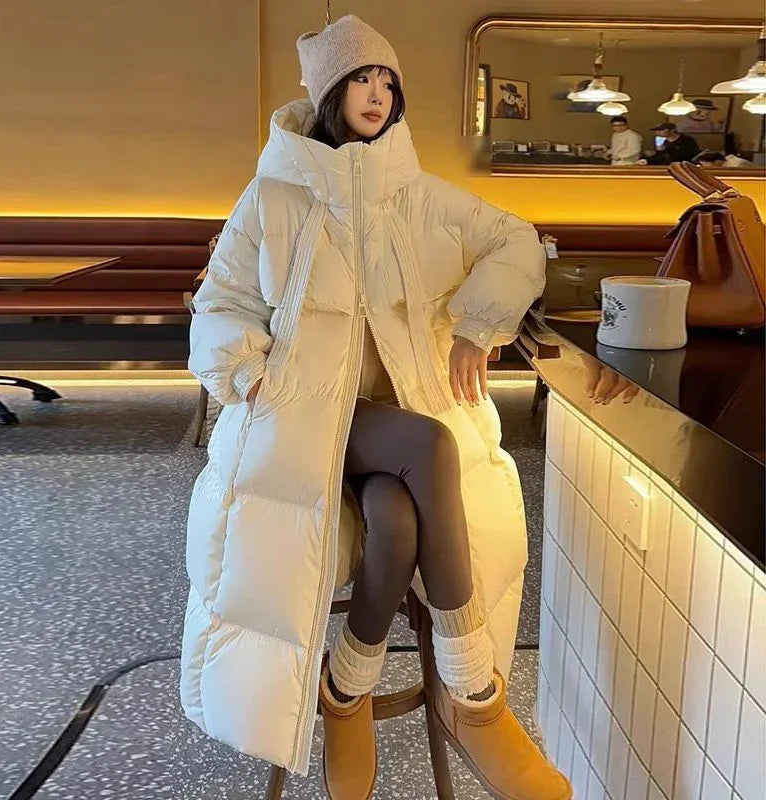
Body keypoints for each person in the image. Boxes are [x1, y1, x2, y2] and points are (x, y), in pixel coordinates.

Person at [182, 14, 571, 800]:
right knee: (431, 447)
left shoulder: (420, 196)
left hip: (392, 425)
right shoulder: (272, 198)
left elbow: (518, 241)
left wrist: (477, 323)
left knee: (395, 516)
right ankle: (473, 697)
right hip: (302, 415)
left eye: (387, 80)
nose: (377, 92)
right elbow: (219, 300)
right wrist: (244, 369)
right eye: (361, 78)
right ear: (329, 91)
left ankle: (344, 692)